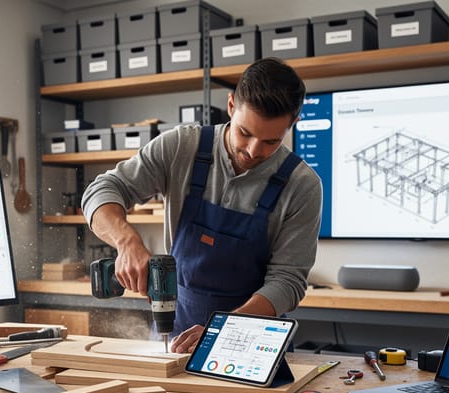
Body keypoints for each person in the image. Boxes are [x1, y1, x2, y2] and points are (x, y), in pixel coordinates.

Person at [81, 57, 322, 353]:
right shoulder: (182, 147)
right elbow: (102, 190)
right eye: (244, 132)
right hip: (174, 332)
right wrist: (126, 241)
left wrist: (223, 330)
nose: (252, 150)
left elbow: (287, 281)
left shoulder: (301, 185)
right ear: (231, 106)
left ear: (293, 123)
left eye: (270, 141)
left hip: (252, 341)